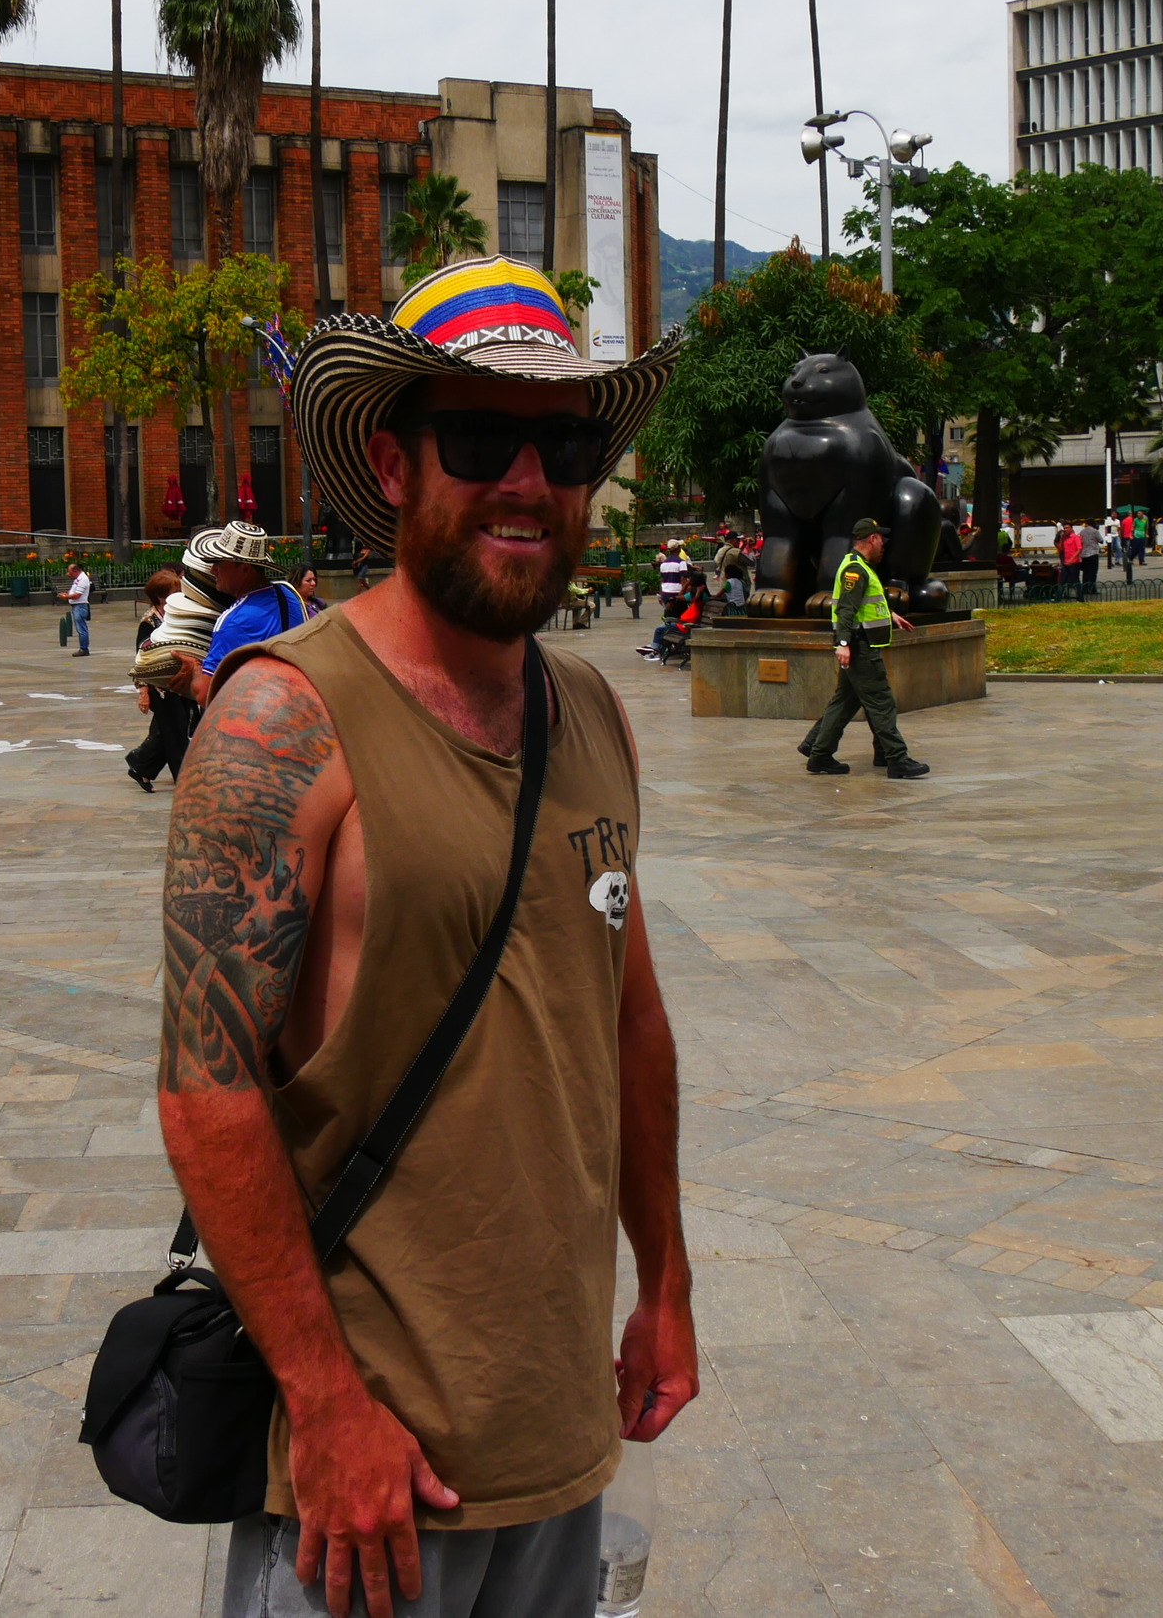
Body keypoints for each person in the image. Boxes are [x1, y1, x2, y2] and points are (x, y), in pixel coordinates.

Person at [172, 254, 693, 1618]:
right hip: (369, 1484)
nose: (528, 479)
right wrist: (328, 1405)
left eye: (564, 442)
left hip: (560, 1441)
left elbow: (628, 1017)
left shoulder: (596, 715)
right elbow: (205, 1096)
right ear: (397, 462)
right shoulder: (283, 723)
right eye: (479, 436)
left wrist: (668, 1283)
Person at [800, 517, 929, 780]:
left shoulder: (860, 567)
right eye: (881, 538)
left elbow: (864, 603)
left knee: (845, 702)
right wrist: (843, 644)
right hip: (861, 647)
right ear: (872, 539)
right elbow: (846, 609)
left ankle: (818, 751)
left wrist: (890, 615)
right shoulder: (855, 570)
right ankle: (897, 759)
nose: (884, 544)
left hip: (860, 645)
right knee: (882, 703)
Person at [188, 524, 295, 708]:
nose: (213, 570)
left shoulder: (233, 621)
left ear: (245, 569)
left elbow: (205, 694)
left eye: (218, 563)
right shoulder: (288, 595)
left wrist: (194, 670)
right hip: (293, 708)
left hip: (257, 721)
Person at [127, 568, 193, 791]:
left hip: (181, 682)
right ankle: (183, 776)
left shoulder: (175, 616)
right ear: (160, 596)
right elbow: (141, 659)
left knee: (166, 731)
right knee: (175, 730)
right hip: (160, 686)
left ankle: (140, 766)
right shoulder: (149, 622)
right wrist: (144, 691)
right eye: (173, 593)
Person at [642, 569, 706, 662]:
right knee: (664, 627)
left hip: (685, 626)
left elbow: (691, 600)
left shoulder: (698, 597)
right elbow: (680, 597)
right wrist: (688, 586)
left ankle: (655, 650)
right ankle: (655, 648)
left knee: (660, 630)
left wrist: (692, 588)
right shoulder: (696, 595)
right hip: (683, 624)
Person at [64, 560, 94, 657]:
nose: (69, 574)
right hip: (77, 605)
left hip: (80, 606)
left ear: (75, 571)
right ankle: (83, 648)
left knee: (81, 628)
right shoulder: (79, 578)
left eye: (70, 572)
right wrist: (68, 594)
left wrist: (66, 597)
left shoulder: (83, 579)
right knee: (80, 628)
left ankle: (84, 648)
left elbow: (77, 595)